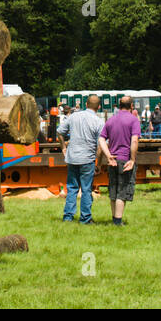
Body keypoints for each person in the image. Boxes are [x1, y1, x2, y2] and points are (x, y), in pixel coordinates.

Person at [58, 94, 105, 224]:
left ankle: (68, 217)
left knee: (72, 188)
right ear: (99, 107)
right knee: (86, 189)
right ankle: (85, 218)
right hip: (87, 159)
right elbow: (101, 146)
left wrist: (63, 148)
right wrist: (99, 163)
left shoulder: (73, 116)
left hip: (72, 157)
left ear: (85, 104)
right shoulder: (99, 122)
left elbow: (60, 132)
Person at [100, 95, 141, 225]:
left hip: (113, 160)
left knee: (113, 190)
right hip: (125, 160)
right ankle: (117, 222)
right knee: (122, 192)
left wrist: (108, 155)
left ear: (118, 106)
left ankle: (114, 219)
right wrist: (133, 159)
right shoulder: (134, 120)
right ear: (132, 106)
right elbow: (134, 140)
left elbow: (101, 139)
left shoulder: (111, 120)